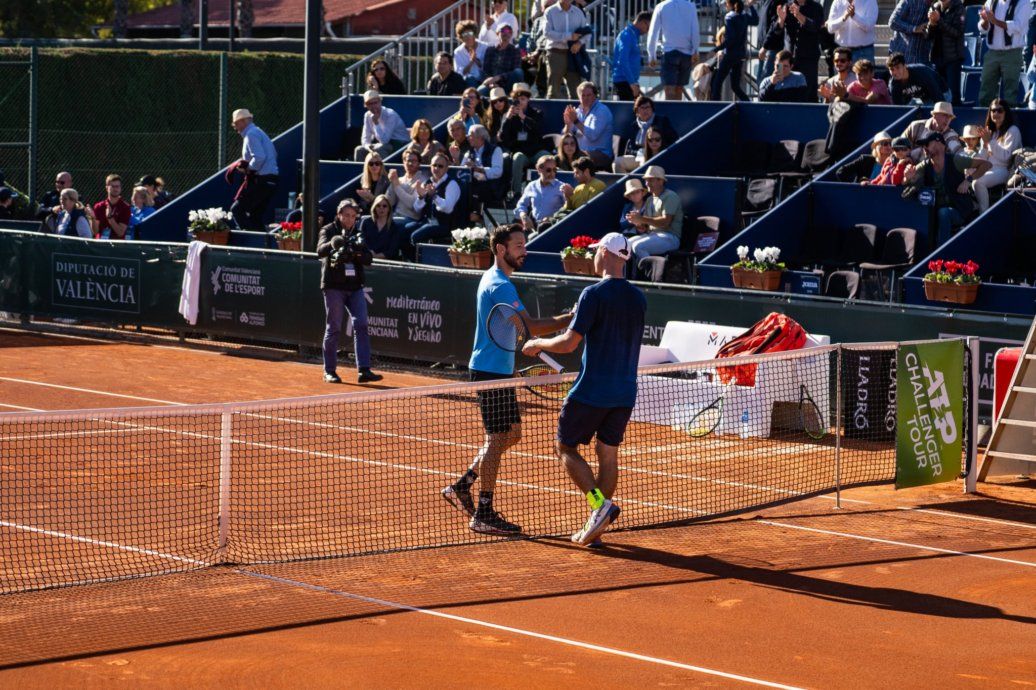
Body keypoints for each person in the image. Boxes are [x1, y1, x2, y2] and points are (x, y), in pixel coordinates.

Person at [441, 223, 573, 536]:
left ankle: (463, 486)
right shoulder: (499, 285)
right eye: (517, 246)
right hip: (489, 372)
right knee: (498, 438)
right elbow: (530, 328)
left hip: (497, 368)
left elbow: (516, 330)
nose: (523, 251)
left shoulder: (499, 281)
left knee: (511, 434)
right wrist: (571, 319)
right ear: (501, 250)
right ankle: (484, 511)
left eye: (524, 245)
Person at [522, 232, 646, 547]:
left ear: (605, 253)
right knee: (608, 453)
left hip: (592, 390)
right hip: (624, 391)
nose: (591, 256)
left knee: (564, 448)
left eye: (594, 251)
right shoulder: (638, 298)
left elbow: (568, 343)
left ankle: (597, 504)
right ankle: (597, 524)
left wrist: (537, 344)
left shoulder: (593, 294)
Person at [316, 198, 383, 385]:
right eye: (346, 215)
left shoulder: (358, 233)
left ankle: (364, 370)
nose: (350, 219)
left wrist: (356, 253)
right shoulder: (328, 230)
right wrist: (334, 244)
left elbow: (369, 259)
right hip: (333, 287)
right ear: (339, 215)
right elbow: (320, 251)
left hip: (355, 288)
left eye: (353, 216)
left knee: (361, 324)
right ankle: (329, 371)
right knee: (334, 328)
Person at [903, 131, 990, 245]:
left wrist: (968, 181)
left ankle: (941, 253)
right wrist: (907, 178)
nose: (924, 148)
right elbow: (906, 181)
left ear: (939, 144)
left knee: (944, 213)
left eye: (927, 144)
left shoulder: (956, 160)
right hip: (934, 211)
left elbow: (986, 164)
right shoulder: (925, 165)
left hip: (959, 210)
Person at [230, 108, 279, 231]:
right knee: (255, 216)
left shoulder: (251, 134)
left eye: (236, 123)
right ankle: (261, 246)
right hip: (271, 180)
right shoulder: (258, 132)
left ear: (243, 121)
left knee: (237, 209)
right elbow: (272, 154)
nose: (235, 126)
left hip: (262, 179)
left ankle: (248, 244)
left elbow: (259, 157)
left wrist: (248, 169)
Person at [623, 165, 684, 266]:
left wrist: (641, 218)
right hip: (652, 235)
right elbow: (646, 227)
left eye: (650, 180)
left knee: (638, 246)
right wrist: (638, 224)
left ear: (660, 181)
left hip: (671, 238)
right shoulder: (649, 199)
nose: (647, 183)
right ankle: (635, 275)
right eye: (646, 180)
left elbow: (665, 222)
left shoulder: (671, 196)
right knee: (626, 245)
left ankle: (651, 275)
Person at [977, 0, 1032, 106]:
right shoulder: (991, 2)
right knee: (986, 90)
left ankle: (1009, 120)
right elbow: (982, 28)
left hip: (1012, 53)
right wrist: (985, 20)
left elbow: (1018, 26)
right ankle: (986, 119)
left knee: (1010, 93)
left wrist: (995, 21)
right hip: (992, 52)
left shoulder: (1024, 3)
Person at [499, 82, 548, 198]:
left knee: (547, 156)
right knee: (518, 158)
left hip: (535, 150)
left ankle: (546, 190)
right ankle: (516, 193)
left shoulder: (536, 113)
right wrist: (507, 119)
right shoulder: (509, 116)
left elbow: (538, 130)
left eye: (523, 99)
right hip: (521, 151)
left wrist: (523, 117)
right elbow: (503, 137)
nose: (520, 102)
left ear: (528, 100)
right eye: (517, 99)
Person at [973, 99, 1023, 210]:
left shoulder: (1013, 130)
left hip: (1005, 170)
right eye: (993, 110)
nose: (996, 113)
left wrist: (990, 141)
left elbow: (1006, 158)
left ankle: (983, 215)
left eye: (1000, 110)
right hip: (988, 168)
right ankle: (972, 208)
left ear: (1006, 112)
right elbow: (983, 158)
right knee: (967, 177)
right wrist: (985, 144)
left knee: (977, 182)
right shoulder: (989, 132)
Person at [765, 0, 824, 93]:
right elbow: (775, 31)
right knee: (783, 89)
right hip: (788, 59)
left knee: (808, 91)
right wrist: (781, 20)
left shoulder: (816, 7)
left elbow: (815, 27)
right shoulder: (787, 6)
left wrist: (799, 15)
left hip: (808, 58)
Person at [647, 0, 701, 100]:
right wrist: (695, 50)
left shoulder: (661, 6)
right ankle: (677, 114)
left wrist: (652, 55)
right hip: (686, 53)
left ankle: (671, 114)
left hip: (669, 52)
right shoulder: (690, 6)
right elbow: (695, 29)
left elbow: (653, 32)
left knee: (669, 89)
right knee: (679, 89)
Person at [411, 153, 465, 251]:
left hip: (445, 225)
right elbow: (416, 208)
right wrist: (421, 197)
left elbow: (448, 209)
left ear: (446, 168)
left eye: (440, 166)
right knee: (404, 230)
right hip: (427, 221)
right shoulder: (427, 182)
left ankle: (418, 262)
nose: (436, 168)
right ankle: (409, 261)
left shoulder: (452, 184)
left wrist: (434, 196)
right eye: (434, 165)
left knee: (415, 236)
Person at [613, 97, 678, 173]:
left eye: (647, 107)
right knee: (617, 162)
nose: (645, 110)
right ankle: (626, 183)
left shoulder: (662, 121)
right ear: (637, 111)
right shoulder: (634, 125)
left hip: (656, 155)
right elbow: (631, 146)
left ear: (652, 109)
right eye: (642, 108)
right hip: (638, 156)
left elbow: (674, 139)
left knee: (644, 162)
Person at [712, 0, 760, 101]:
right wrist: (751, 7)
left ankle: (715, 105)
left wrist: (717, 49)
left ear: (730, 5)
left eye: (726, 3)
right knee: (735, 86)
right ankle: (748, 103)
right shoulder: (744, 16)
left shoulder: (730, 17)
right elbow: (755, 21)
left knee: (717, 82)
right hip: (740, 55)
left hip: (730, 54)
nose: (725, 5)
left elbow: (730, 39)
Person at [562, 81, 614, 170]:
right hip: (580, 153)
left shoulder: (602, 111)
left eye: (588, 95)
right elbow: (566, 137)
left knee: (579, 158)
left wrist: (575, 121)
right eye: (583, 95)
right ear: (579, 97)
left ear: (594, 96)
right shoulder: (577, 112)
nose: (586, 98)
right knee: (560, 156)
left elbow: (592, 136)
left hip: (601, 154)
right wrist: (568, 124)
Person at [543, 0, 589, 99]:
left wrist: (579, 43)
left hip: (574, 55)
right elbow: (547, 33)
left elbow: (587, 32)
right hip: (556, 53)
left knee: (576, 92)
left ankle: (576, 114)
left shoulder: (578, 12)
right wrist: (569, 36)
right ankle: (552, 114)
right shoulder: (550, 11)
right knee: (553, 91)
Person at [515, 154, 569, 234]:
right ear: (539, 169)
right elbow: (521, 205)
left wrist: (552, 218)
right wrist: (524, 216)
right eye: (548, 170)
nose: (552, 173)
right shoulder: (531, 185)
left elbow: (568, 209)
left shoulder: (561, 187)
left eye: (554, 170)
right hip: (534, 227)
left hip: (553, 227)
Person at [463, 124, 506, 221]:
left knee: (474, 190)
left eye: (470, 135)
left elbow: (497, 172)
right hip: (473, 185)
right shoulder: (469, 152)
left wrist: (478, 169)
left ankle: (476, 217)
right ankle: (468, 218)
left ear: (480, 137)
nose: (467, 137)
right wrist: (455, 158)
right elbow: (462, 171)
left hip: (491, 187)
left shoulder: (495, 150)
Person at [927, 0, 966, 106]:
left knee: (953, 97)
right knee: (939, 95)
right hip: (937, 57)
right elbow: (929, 36)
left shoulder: (959, 7)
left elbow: (957, 32)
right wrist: (931, 23)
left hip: (952, 58)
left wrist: (939, 20)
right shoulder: (935, 7)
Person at [387, 148, 428, 246]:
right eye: (408, 160)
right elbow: (389, 202)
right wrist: (392, 184)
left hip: (411, 218)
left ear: (419, 163)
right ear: (404, 162)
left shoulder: (423, 180)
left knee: (392, 226)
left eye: (414, 161)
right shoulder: (399, 179)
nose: (410, 163)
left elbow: (412, 204)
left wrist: (396, 186)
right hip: (394, 215)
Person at [354, 91, 410, 162]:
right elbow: (365, 138)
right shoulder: (367, 115)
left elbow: (384, 140)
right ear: (366, 105)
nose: (373, 106)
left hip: (400, 145)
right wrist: (367, 146)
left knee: (380, 148)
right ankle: (362, 172)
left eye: (375, 103)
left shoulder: (391, 115)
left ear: (380, 102)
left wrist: (376, 122)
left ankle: (383, 172)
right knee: (359, 150)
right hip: (382, 143)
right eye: (370, 104)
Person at [612, 11, 653, 101]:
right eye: (648, 27)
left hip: (629, 82)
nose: (648, 31)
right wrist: (632, 83)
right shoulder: (627, 35)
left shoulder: (633, 35)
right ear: (642, 22)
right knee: (627, 113)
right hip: (624, 82)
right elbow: (623, 60)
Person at [826, 0, 878, 65]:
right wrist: (843, 18)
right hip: (842, 53)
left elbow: (869, 26)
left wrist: (854, 16)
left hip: (863, 52)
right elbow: (830, 28)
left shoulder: (870, 1)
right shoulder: (837, 2)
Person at [480, 23, 523, 95]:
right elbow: (485, 70)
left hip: (507, 84)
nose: (506, 33)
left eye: (509, 31)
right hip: (492, 83)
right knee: (478, 93)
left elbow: (515, 72)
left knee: (519, 71)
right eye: (503, 30)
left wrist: (499, 77)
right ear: (497, 33)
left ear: (511, 34)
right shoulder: (490, 50)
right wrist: (492, 83)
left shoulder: (515, 50)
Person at [888, 0, 934, 66]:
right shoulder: (909, 1)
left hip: (922, 58)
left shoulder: (937, 5)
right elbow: (892, 22)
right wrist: (914, 28)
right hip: (903, 56)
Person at [360, 194, 403, 260]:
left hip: (386, 263)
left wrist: (377, 256)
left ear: (389, 208)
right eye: (378, 205)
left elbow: (393, 250)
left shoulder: (394, 227)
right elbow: (363, 241)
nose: (381, 208)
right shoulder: (366, 223)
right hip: (367, 259)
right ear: (374, 207)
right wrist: (370, 253)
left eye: (384, 206)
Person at [93, 173, 131, 240]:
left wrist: (110, 218)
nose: (115, 189)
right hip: (101, 245)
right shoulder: (98, 206)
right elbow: (95, 232)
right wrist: (93, 218)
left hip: (117, 246)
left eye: (118, 186)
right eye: (113, 186)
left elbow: (120, 232)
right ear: (107, 188)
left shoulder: (125, 207)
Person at [454, 20, 489, 88]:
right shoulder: (458, 51)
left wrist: (476, 60)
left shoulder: (485, 47)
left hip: (484, 79)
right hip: (468, 81)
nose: (468, 37)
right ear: (461, 37)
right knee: (470, 78)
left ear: (474, 34)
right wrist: (471, 62)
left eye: (470, 33)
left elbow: (488, 68)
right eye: (465, 34)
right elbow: (460, 73)